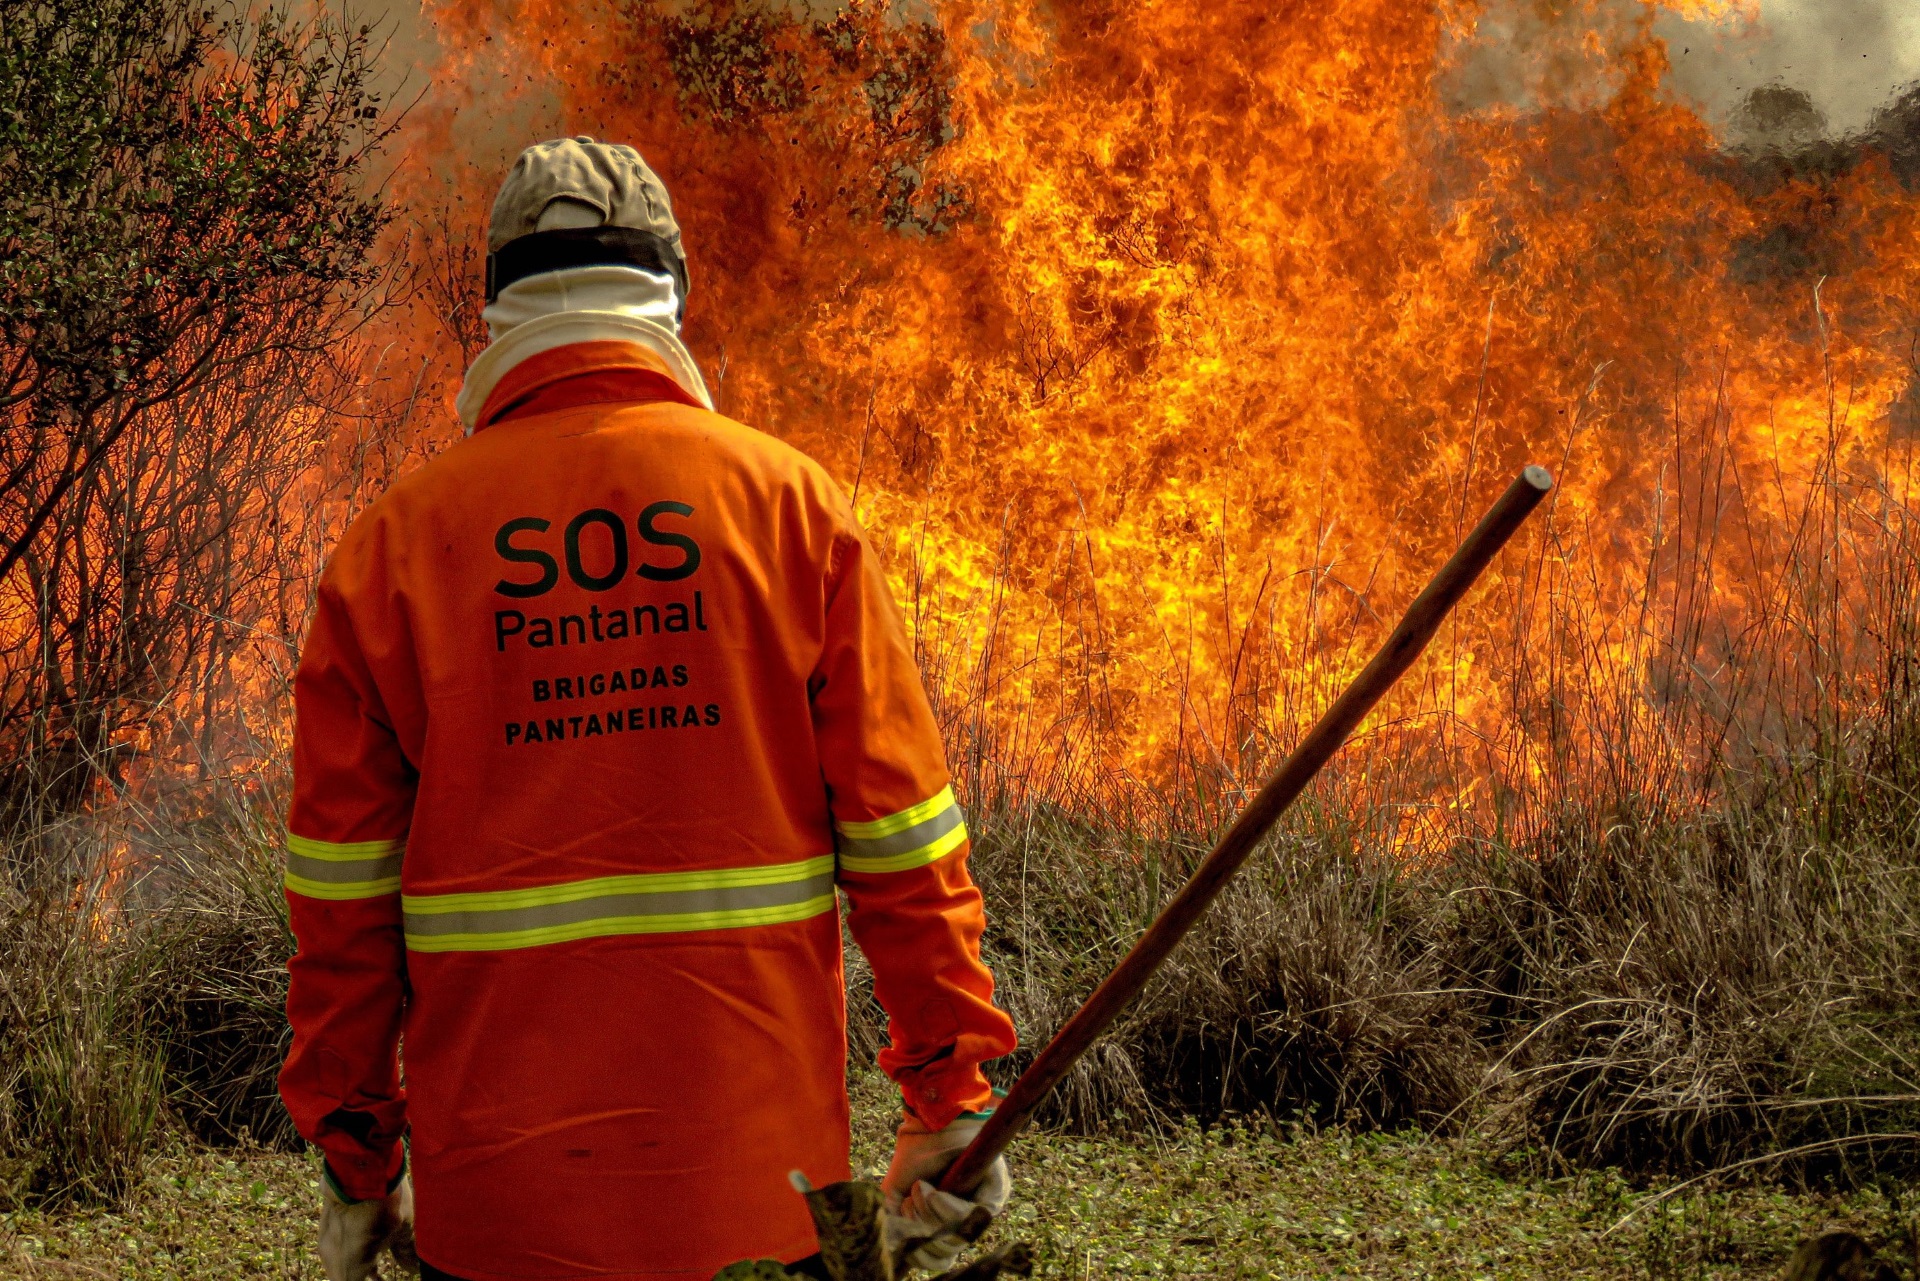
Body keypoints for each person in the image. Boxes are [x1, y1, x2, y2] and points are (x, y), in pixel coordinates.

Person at [279, 136, 1018, 1281]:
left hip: (500, 1215)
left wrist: (357, 1153)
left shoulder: (391, 551)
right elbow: (904, 841)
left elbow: (340, 903)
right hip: (762, 1200)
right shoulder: (787, 509)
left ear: (494, 314)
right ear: (671, 290)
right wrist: (950, 1093)